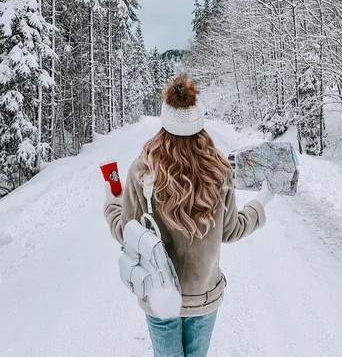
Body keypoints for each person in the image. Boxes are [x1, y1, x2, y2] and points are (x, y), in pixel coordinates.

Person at [103, 75, 274, 357]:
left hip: (159, 294)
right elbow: (231, 230)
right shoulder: (219, 171)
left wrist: (112, 201)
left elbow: (127, 233)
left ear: (164, 123)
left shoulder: (141, 170)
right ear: (200, 123)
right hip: (205, 295)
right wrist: (261, 201)